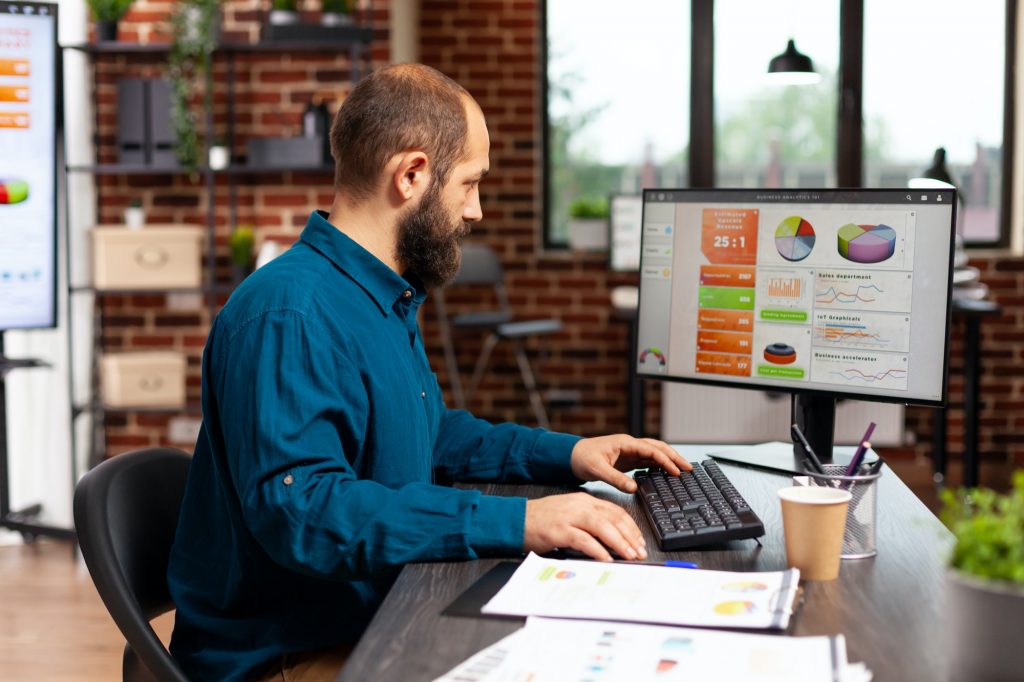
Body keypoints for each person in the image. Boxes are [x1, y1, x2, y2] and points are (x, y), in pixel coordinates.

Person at [166, 63, 690, 682]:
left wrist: (572, 454)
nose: (476, 210)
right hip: (287, 656)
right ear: (411, 175)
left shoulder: (378, 296)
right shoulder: (289, 315)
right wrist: (520, 522)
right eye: (469, 183)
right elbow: (304, 512)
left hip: (370, 616)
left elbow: (428, 434)